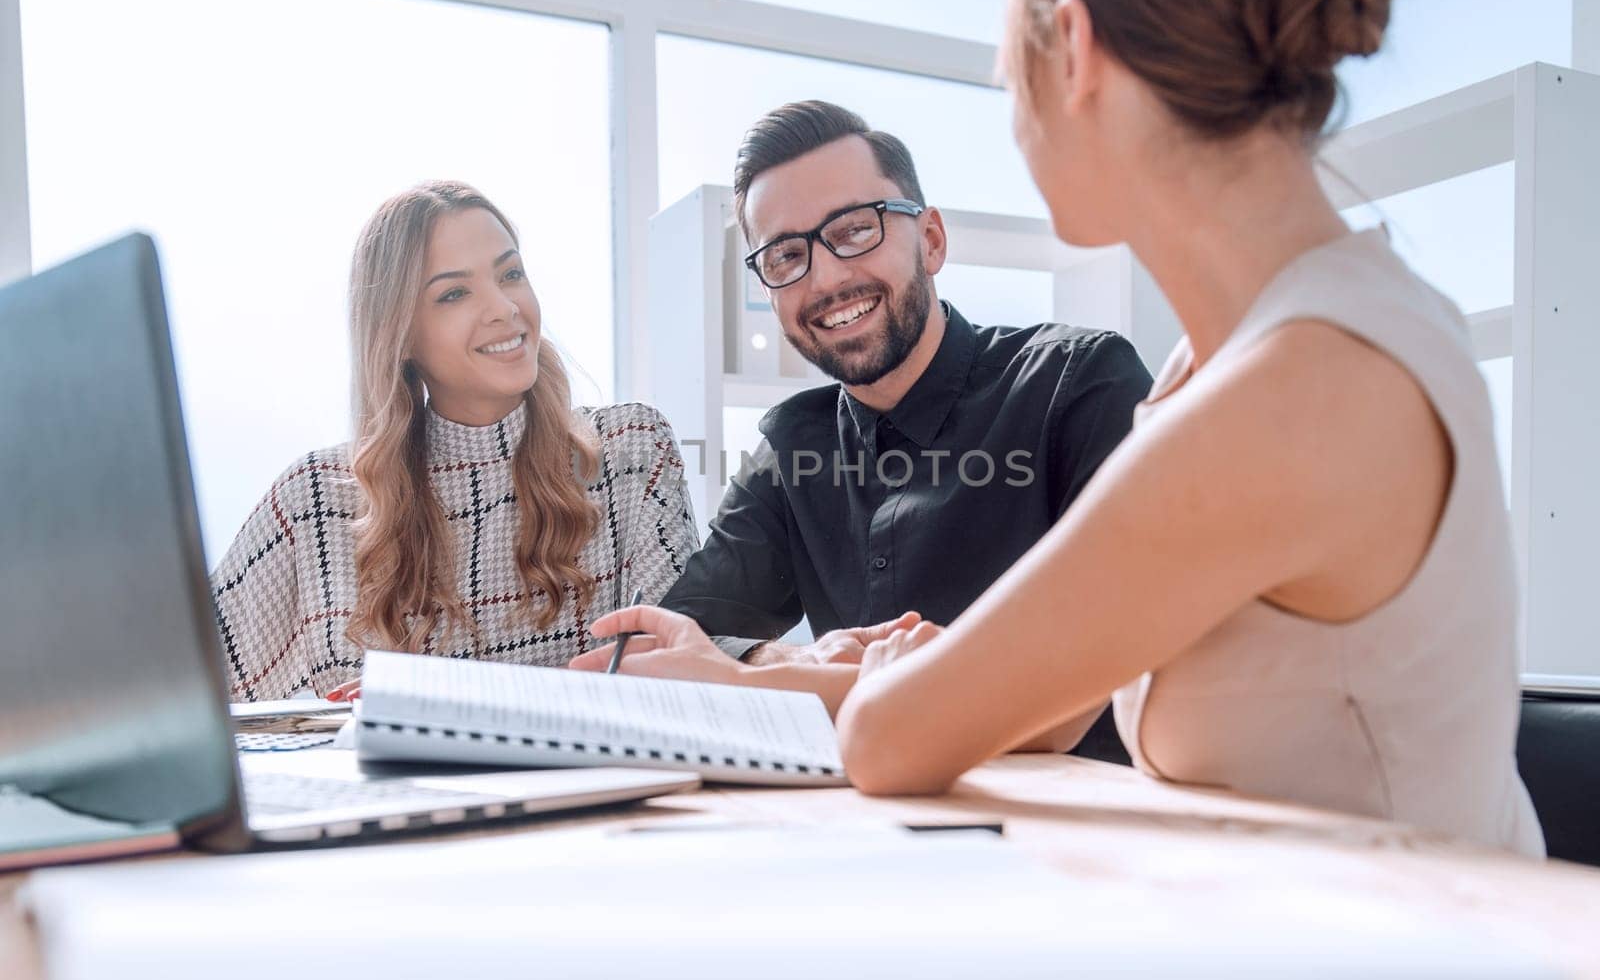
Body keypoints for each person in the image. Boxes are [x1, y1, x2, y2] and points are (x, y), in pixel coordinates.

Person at [828, 0, 1542, 855]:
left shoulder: (1293, 393)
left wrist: (893, 674)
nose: (1014, 126)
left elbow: (888, 740)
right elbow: (1050, 707)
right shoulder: (1240, 357)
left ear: (1076, 50)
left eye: (1012, 83)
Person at [571, 101, 1153, 751]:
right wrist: (785, 660)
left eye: (854, 231)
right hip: (871, 824)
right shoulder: (794, 447)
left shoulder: (1082, 386)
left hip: (1081, 831)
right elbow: (666, 645)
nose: (826, 277)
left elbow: (1073, 683)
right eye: (787, 255)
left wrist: (754, 682)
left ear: (930, 240)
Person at [210, 181, 698, 701]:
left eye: (511, 274)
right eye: (454, 293)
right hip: (381, 786)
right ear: (400, 335)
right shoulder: (315, 499)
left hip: (604, 784)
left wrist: (447, 700)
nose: (504, 308)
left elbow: (681, 680)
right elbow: (177, 694)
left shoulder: (629, 450)